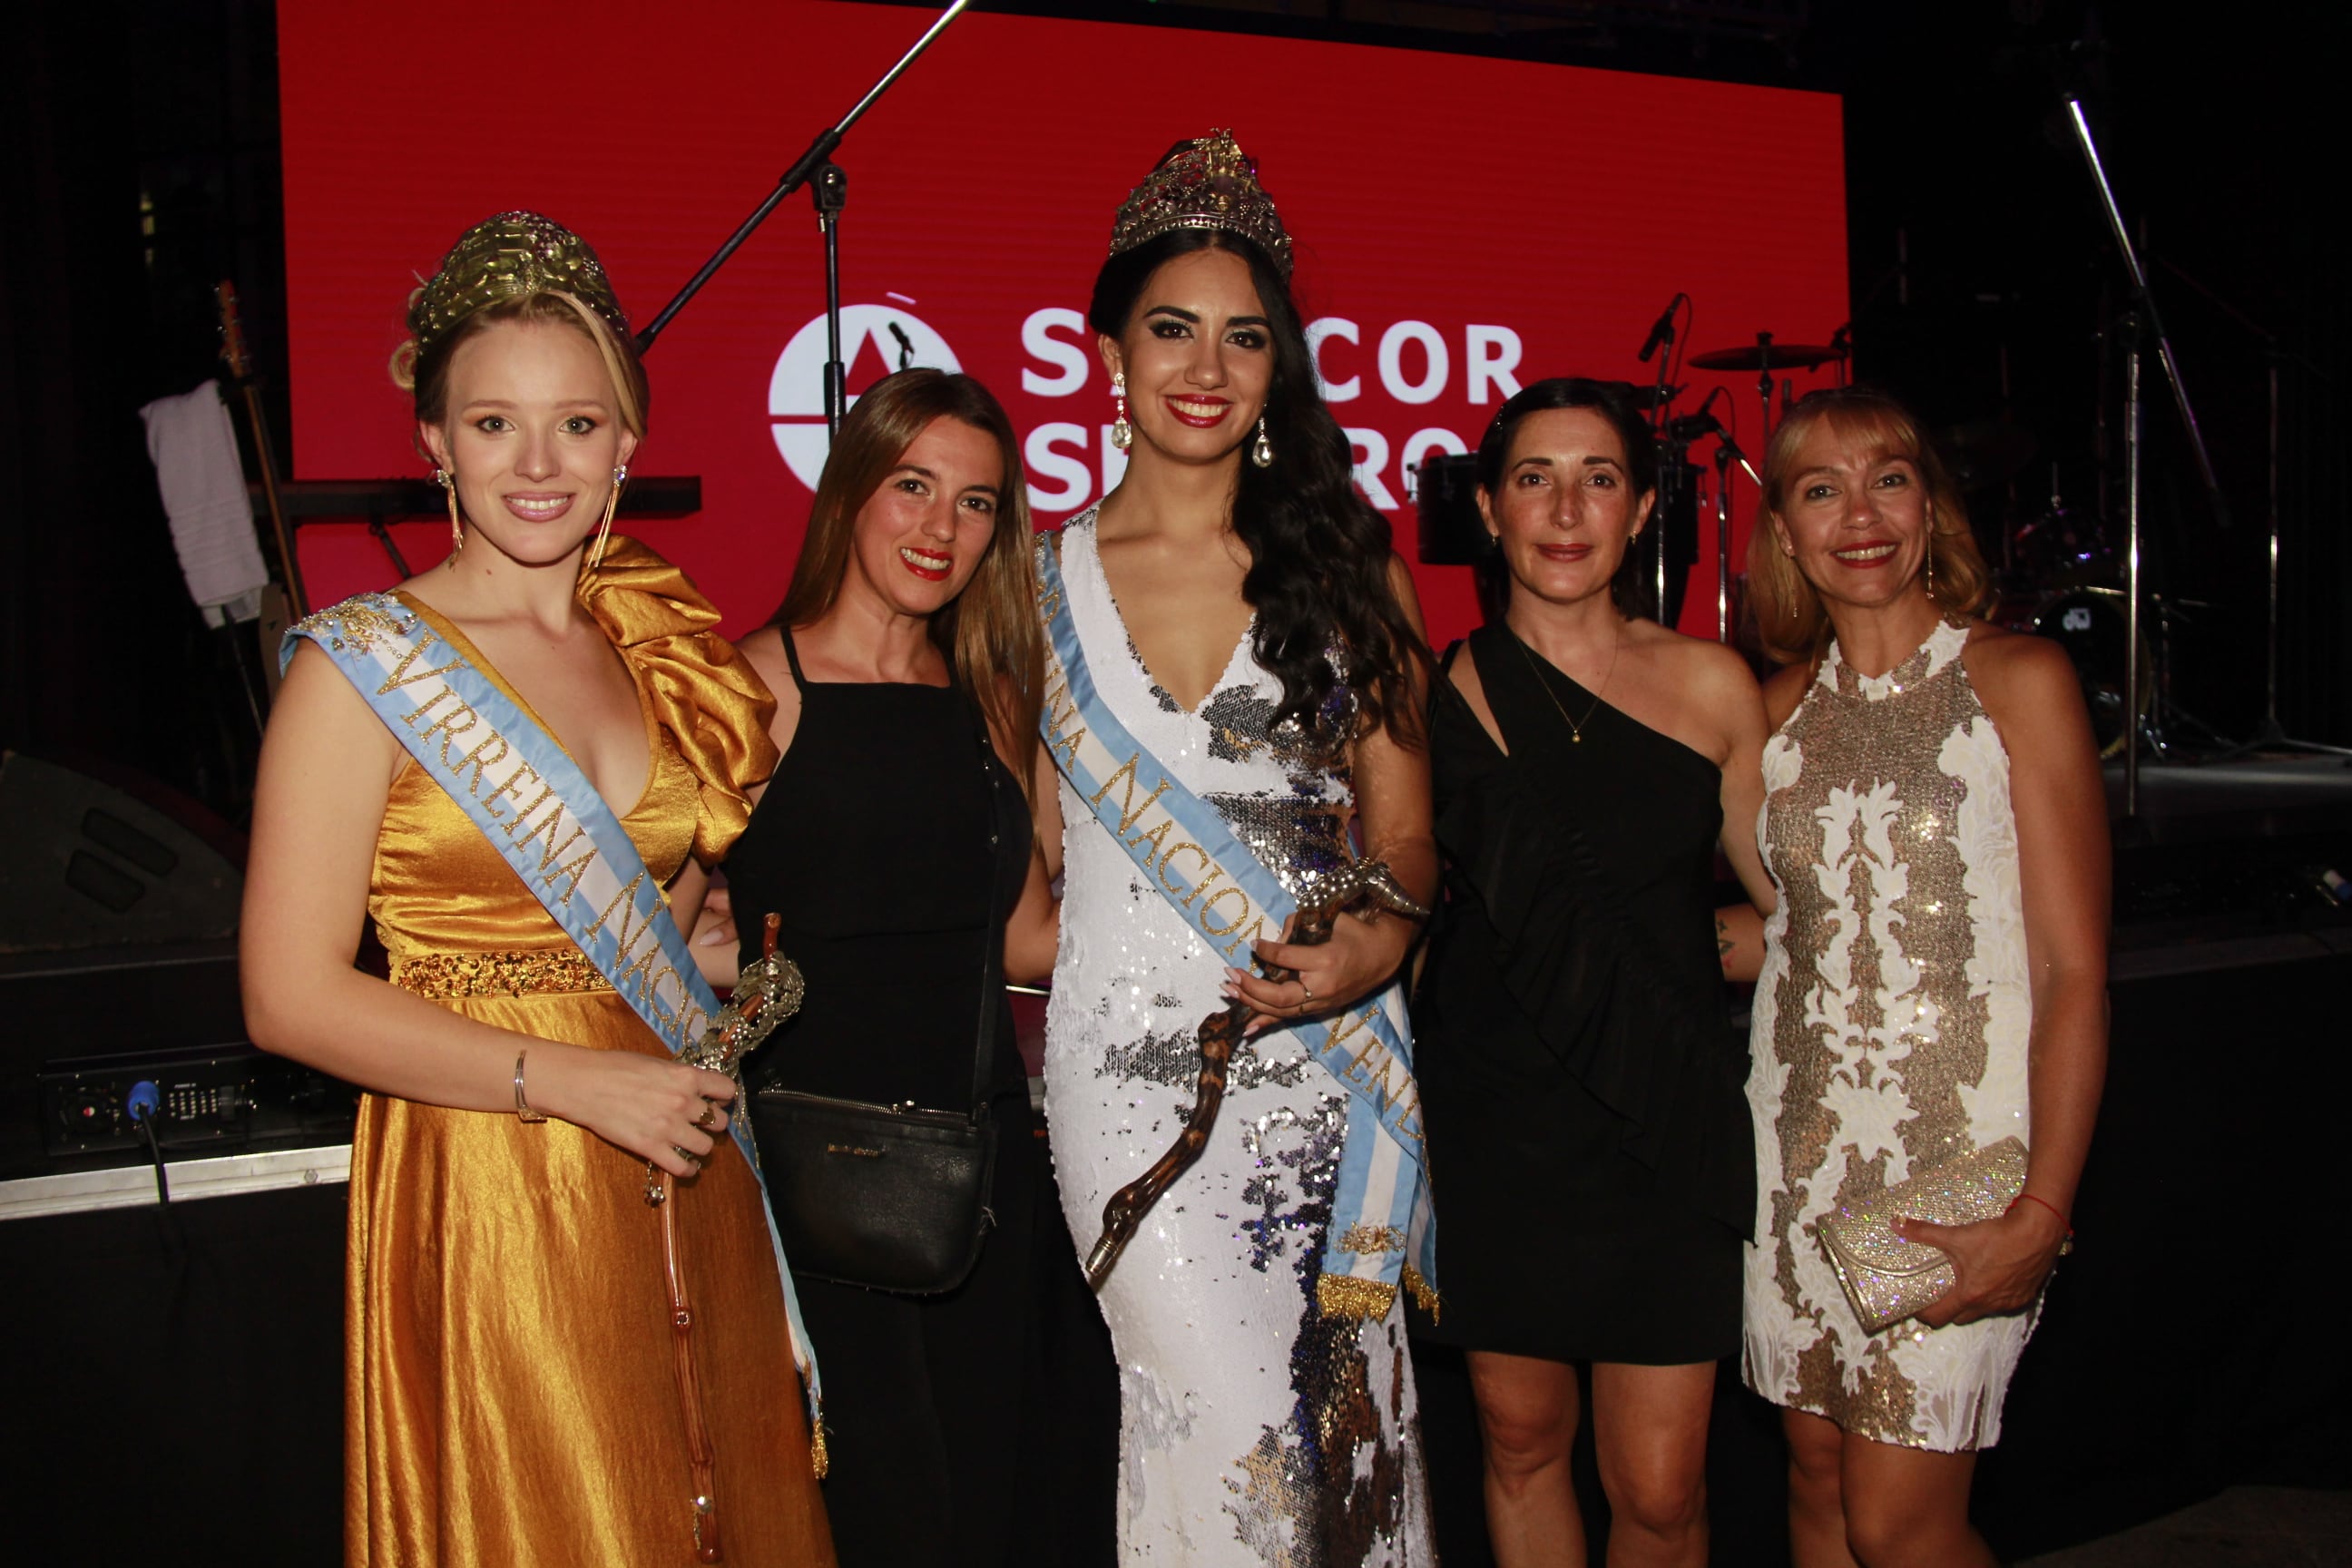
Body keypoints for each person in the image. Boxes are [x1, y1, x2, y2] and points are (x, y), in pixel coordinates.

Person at [240, 212, 833, 1566]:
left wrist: (714, 963)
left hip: (682, 1149)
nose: (538, 462)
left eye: (576, 423)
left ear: (626, 438)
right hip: (494, 1164)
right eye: (494, 424)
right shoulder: (361, 666)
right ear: (434, 442)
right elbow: (286, 994)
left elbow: (656, 935)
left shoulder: (657, 647)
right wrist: (567, 1080)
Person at [1029, 130, 1439, 1563]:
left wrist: (1374, 940)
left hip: (1328, 1075)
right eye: (1171, 329)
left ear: (1278, 373)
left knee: (1344, 1434)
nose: (1205, 367)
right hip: (1128, 1091)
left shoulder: (1345, 562)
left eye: (1244, 338)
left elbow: (1406, 839)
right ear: (1110, 353)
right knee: (1212, 1425)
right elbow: (1029, 878)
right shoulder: (1033, 582)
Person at [699, 368, 1116, 1565]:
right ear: (849, 494)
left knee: (1005, 1501)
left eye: (975, 503)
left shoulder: (987, 695)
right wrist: (735, 956)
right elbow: (653, 927)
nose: (939, 528)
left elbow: (1027, 939)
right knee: (886, 1517)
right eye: (912, 487)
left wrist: (1199, 930)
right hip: (816, 1179)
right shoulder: (752, 689)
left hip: (980, 1175)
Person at [1411, 377, 1777, 1568]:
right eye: (1534, 478)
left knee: (1663, 1487)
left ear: (1638, 512)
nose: (1566, 509)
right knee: (1519, 1440)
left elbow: (1792, 917)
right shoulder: (1430, 696)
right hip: (1496, 1119)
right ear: (1488, 509)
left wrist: (1675, 954)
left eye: (1599, 478)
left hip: (1663, 1125)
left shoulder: (1715, 684)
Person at [1740, 387, 2108, 1568]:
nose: (1860, 514)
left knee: (1900, 1527)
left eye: (1889, 478)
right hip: (1793, 1154)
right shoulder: (1775, 712)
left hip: (1954, 1162)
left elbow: (2074, 969)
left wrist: (2042, 1214)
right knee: (1816, 1484)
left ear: (1929, 506)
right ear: (1784, 534)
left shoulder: (2016, 680)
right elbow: (1791, 933)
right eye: (1819, 489)